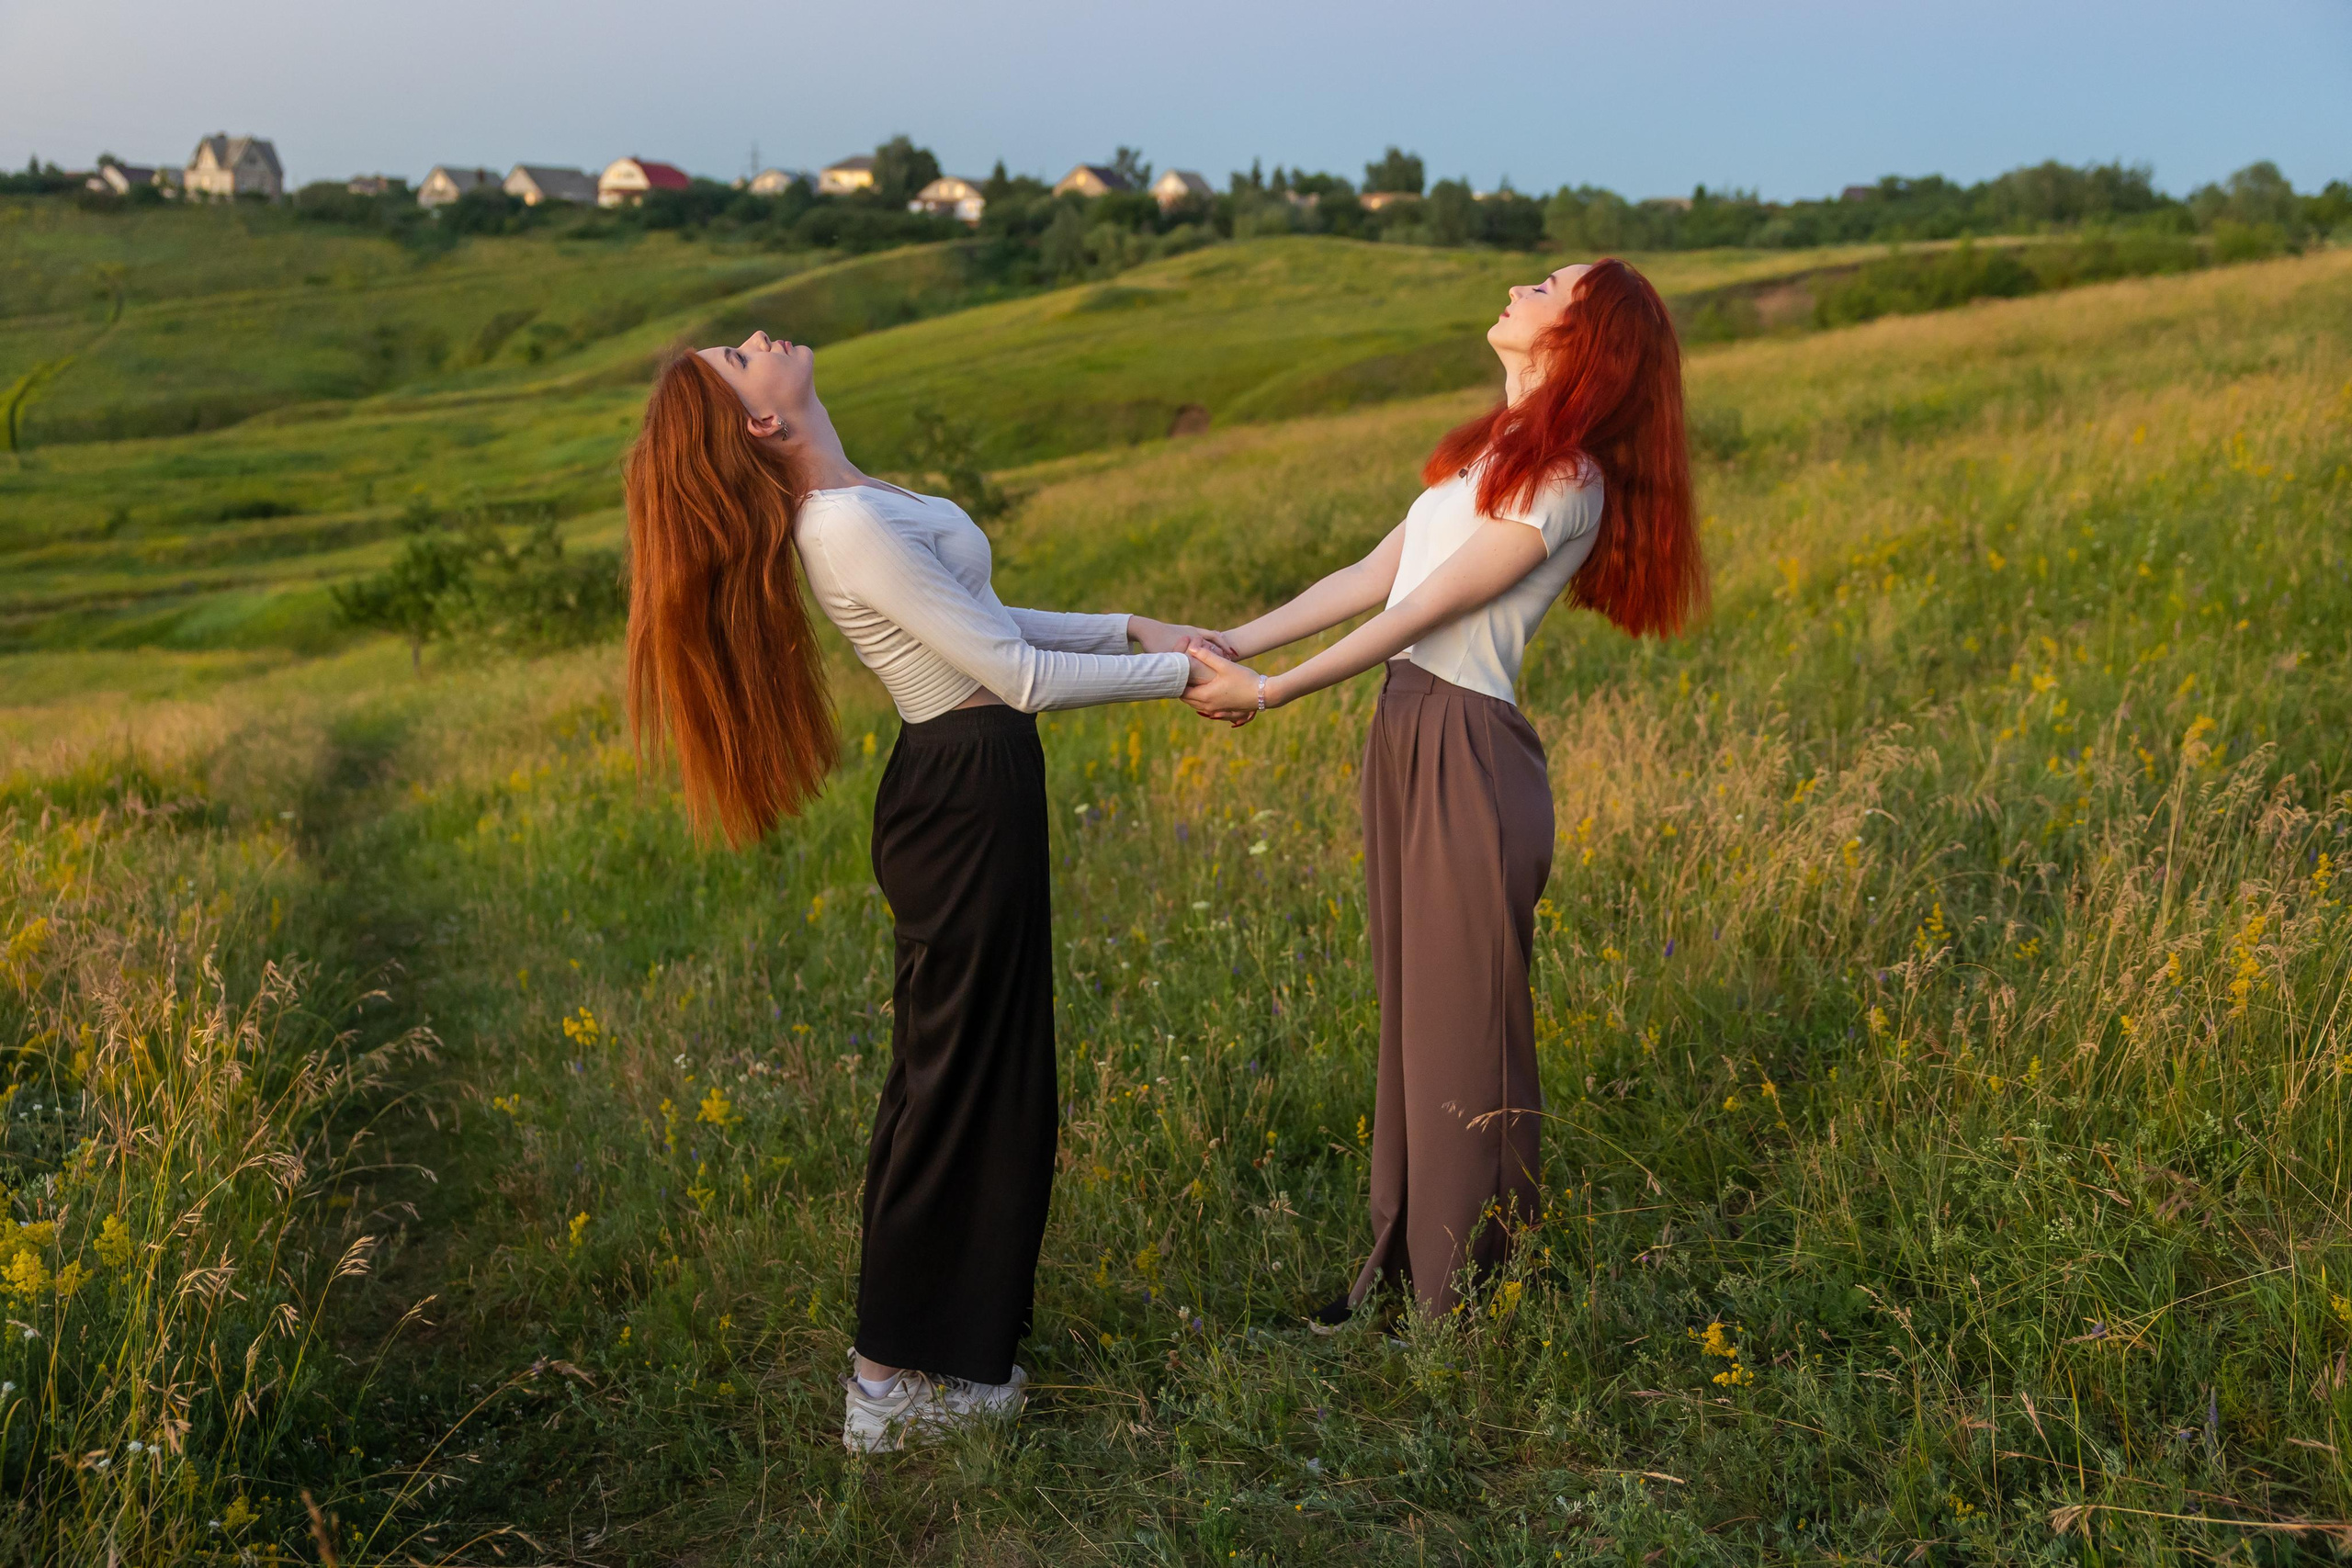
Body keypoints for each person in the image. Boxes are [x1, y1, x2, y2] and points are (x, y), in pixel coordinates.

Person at [623, 332, 1219, 1450]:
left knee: (973, 1074)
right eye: (737, 355)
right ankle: (891, 1380)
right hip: (960, 793)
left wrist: (1138, 629)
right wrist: (1190, 678)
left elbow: (990, 632)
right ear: (760, 421)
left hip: (973, 782)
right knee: (958, 1083)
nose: (759, 338)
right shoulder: (841, 524)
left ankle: (932, 1358)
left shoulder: (865, 499)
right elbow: (1018, 677)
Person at [1182, 259, 1707, 1320]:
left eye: (1549, 285)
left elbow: (1427, 612)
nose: (1523, 287)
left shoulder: (1569, 480)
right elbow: (1374, 578)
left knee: (1465, 1026)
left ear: (1584, 333)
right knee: (1414, 1015)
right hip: (1408, 732)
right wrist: (1227, 641)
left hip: (1467, 748)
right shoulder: (1489, 456)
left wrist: (1269, 690)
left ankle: (1467, 1299)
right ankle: (1406, 1271)